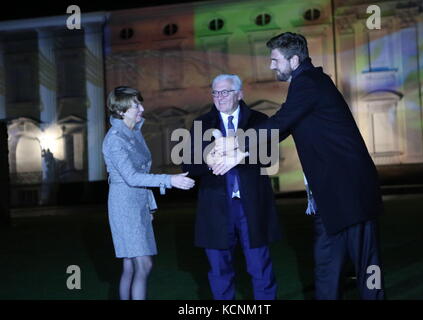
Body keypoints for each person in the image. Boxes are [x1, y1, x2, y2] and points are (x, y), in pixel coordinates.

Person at [211, 33, 385, 300]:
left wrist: (237, 144)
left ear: (294, 59)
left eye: (275, 60)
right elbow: (284, 127)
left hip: (349, 190)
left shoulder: (309, 82)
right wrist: (239, 154)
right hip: (331, 194)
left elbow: (281, 122)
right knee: (326, 264)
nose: (271, 65)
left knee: (366, 264)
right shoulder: (309, 83)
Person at [182, 74, 282, 300]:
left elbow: (270, 156)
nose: (220, 97)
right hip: (216, 207)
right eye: (215, 92)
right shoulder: (201, 124)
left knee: (260, 267)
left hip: (251, 207)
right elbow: (187, 163)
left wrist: (239, 155)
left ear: (240, 94)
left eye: (225, 91)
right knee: (219, 271)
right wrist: (209, 157)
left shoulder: (258, 120)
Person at [102, 86, 195, 300]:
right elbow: (132, 177)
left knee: (130, 266)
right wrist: (170, 180)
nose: (142, 109)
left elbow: (140, 173)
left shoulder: (134, 132)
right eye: (136, 105)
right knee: (144, 265)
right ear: (122, 110)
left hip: (137, 203)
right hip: (125, 206)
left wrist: (148, 206)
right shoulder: (116, 139)